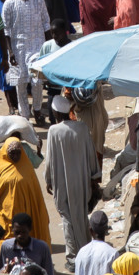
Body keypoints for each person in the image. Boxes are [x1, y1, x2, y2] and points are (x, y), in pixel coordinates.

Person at [41, 96, 98, 261]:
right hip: (81, 180)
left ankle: (72, 255)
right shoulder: (82, 127)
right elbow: (91, 152)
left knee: (66, 217)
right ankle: (85, 249)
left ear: (56, 112)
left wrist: (48, 180)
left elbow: (49, 159)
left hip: (62, 181)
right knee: (80, 214)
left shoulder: (54, 131)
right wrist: (94, 176)